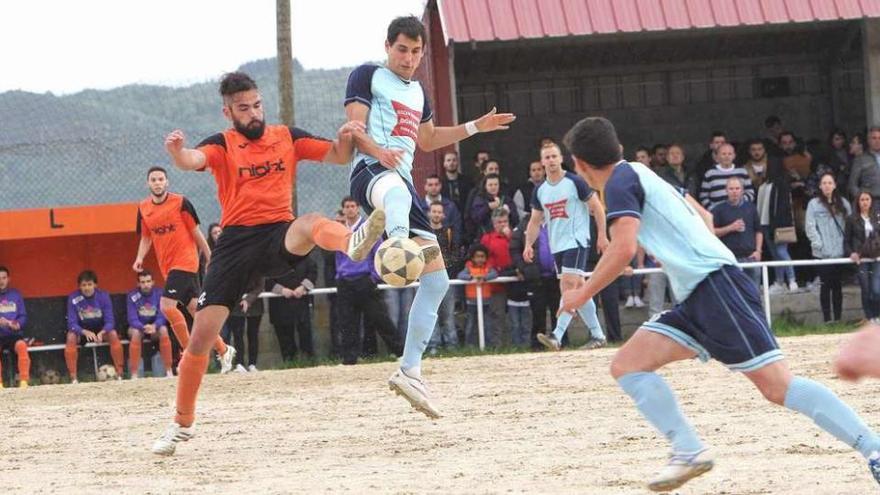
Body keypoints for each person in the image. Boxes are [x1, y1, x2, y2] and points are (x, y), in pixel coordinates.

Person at [559, 116, 880, 491]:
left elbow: (624, 247)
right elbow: (703, 215)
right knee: (627, 365)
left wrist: (582, 293)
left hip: (716, 288)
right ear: (618, 149)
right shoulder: (638, 173)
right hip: (698, 294)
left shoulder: (618, 183)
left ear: (579, 165)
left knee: (779, 387)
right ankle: (688, 449)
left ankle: (874, 449)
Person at [151, 71, 383, 456]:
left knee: (309, 222)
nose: (254, 113)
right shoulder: (223, 144)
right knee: (200, 340)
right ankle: (182, 423)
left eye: (257, 105)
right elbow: (193, 159)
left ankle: (353, 242)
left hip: (277, 233)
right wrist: (177, 152)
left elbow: (340, 156)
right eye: (244, 108)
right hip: (236, 244)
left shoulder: (286, 137)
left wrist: (347, 135)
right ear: (228, 112)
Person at [344, 15, 514, 418]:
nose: (408, 57)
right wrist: (376, 149)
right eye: (401, 49)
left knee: (437, 280)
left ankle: (409, 370)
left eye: (416, 51)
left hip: (402, 190)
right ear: (388, 46)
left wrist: (477, 126)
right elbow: (353, 127)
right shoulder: (367, 74)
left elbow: (428, 138)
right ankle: (388, 239)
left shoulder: (419, 91)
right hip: (371, 173)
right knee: (398, 196)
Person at [132, 166, 235, 373]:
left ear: (167, 182)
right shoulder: (143, 208)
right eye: (153, 180)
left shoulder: (180, 202)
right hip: (168, 267)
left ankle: (189, 355)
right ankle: (224, 350)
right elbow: (146, 236)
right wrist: (139, 257)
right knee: (196, 311)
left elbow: (195, 232)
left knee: (167, 306)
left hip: (186, 262)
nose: (158, 182)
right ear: (148, 183)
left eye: (161, 179)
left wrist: (208, 255)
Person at [525, 142, 608, 351]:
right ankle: (598, 335)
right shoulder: (540, 190)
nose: (551, 161)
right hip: (557, 245)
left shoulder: (575, 182)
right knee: (579, 288)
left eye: (554, 156)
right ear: (542, 162)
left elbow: (597, 207)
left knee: (568, 287)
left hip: (576, 240)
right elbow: (535, 221)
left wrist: (602, 235)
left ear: (561, 158)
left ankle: (557, 335)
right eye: (547, 157)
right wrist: (528, 244)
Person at [805, 173, 852, 323]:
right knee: (825, 286)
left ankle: (837, 319)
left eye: (830, 183)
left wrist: (846, 246)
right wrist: (819, 245)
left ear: (835, 185)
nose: (827, 186)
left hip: (839, 252)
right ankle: (827, 319)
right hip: (822, 253)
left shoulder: (843, 203)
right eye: (824, 183)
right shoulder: (813, 204)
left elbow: (850, 226)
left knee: (837, 286)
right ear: (820, 186)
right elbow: (810, 227)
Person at [66, 270, 123, 383]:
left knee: (113, 334)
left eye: (89, 284)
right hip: (82, 331)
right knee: (70, 337)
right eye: (84, 285)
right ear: (79, 286)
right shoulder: (73, 298)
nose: (87, 288)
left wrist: (102, 332)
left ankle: (120, 373)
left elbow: (110, 321)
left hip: (101, 330)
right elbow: (71, 323)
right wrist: (84, 332)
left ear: (95, 285)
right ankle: (73, 377)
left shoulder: (103, 296)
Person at [756, 158, 799, 292]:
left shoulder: (781, 185)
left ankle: (792, 280)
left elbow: (784, 208)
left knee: (781, 251)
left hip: (778, 224)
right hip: (764, 223)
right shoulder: (764, 184)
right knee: (775, 254)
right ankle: (780, 281)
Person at [712, 177, 763, 284]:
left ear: (742, 190)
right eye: (731, 189)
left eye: (737, 188)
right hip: (729, 258)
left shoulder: (751, 208)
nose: (734, 191)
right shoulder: (718, 210)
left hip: (750, 256)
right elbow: (712, 233)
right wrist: (730, 228)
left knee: (754, 291)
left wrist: (758, 251)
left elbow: (758, 231)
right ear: (726, 191)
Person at [266, 255, 317, 361]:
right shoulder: (272, 259)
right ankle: (289, 361)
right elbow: (266, 280)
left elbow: (313, 272)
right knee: (285, 336)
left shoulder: (305, 257)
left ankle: (308, 360)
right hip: (280, 304)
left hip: (302, 302)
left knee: (305, 333)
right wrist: (281, 290)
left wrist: (303, 287)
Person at [426, 201, 460, 353]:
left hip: (447, 279)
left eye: (439, 212)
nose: (437, 214)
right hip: (428, 280)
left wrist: (448, 272)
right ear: (429, 213)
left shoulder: (449, 232)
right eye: (434, 211)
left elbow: (454, 254)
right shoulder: (424, 233)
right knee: (432, 314)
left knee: (448, 314)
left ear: (443, 215)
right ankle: (433, 345)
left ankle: (451, 344)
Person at [126, 270, 173, 378]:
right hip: (139, 327)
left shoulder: (160, 293)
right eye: (143, 282)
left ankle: (169, 370)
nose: (146, 285)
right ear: (138, 284)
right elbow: (131, 318)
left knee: (164, 330)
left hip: (155, 328)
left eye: (148, 281)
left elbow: (163, 315)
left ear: (153, 282)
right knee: (136, 333)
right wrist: (143, 327)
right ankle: (134, 373)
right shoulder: (132, 296)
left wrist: (155, 326)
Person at [845, 191, 880, 323]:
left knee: (876, 289)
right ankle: (870, 317)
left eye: (867, 199)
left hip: (876, 258)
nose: (865, 202)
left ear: (871, 201)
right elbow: (846, 240)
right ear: (858, 202)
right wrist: (851, 253)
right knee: (865, 289)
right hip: (861, 259)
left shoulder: (877, 218)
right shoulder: (851, 219)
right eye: (862, 200)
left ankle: (877, 315)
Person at [458, 244, 497, 346]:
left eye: (482, 256)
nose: (480, 259)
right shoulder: (468, 267)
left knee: (488, 325)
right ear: (472, 257)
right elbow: (461, 275)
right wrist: (472, 277)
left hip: (486, 301)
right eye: (477, 256)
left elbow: (495, 274)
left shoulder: (488, 267)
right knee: (471, 324)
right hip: (472, 301)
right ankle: (469, 346)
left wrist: (483, 278)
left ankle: (490, 346)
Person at [699, 143, 754, 209]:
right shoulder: (710, 174)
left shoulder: (742, 172)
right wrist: (713, 210)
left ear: (734, 156)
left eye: (729, 154)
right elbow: (703, 196)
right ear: (717, 156)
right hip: (717, 214)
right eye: (724, 154)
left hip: (740, 212)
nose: (727, 156)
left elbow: (750, 193)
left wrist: (739, 204)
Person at [0, 266, 29, 388]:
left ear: (8, 279)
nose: (1, 281)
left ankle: (23, 381)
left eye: (4, 278)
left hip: (13, 334)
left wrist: (17, 324)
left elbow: (23, 316)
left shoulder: (16, 294)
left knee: (22, 346)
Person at [227, 287, 263, 373]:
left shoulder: (257, 273)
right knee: (238, 336)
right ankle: (239, 363)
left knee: (253, 334)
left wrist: (248, 300)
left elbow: (260, 287)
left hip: (255, 305)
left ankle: (252, 364)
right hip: (236, 305)